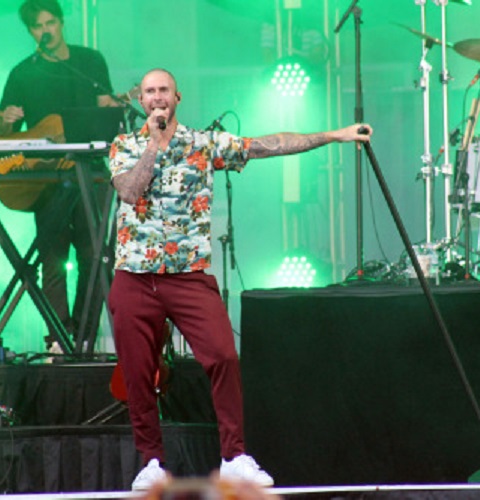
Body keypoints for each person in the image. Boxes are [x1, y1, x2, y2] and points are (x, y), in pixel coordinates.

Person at [108, 68, 372, 491]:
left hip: (188, 275)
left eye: (163, 90)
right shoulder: (125, 145)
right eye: (149, 91)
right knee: (139, 374)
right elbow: (129, 192)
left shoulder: (204, 143)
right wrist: (154, 146)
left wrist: (334, 135)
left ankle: (234, 457)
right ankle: (152, 461)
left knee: (224, 358)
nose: (157, 97)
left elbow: (268, 144)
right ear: (141, 101)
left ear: (177, 96)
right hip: (135, 277)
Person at [0, 0, 120, 349]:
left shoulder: (89, 61)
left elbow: (105, 109)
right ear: (30, 31)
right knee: (53, 261)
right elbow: (2, 128)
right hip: (47, 179)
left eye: (50, 23)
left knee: (95, 258)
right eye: (37, 26)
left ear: (61, 23)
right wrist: (5, 120)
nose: (45, 31)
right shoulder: (23, 72)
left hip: (91, 173)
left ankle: (83, 336)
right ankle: (59, 339)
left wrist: (111, 107)